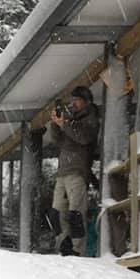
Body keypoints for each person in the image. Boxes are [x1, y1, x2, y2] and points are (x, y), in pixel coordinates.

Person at [45, 85, 100, 256]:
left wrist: (65, 123)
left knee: (76, 213)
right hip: (63, 173)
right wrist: (56, 123)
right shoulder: (71, 120)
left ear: (87, 101)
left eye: (76, 100)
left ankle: (77, 250)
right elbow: (58, 141)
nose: (72, 104)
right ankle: (64, 247)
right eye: (72, 100)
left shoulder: (91, 118)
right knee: (57, 213)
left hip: (77, 172)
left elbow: (83, 138)